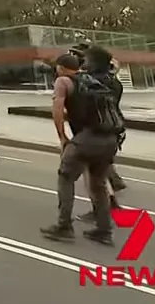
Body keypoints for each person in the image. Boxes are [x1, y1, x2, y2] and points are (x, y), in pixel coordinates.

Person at [41, 48, 124, 245]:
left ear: (61, 68)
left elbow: (57, 111)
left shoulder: (63, 81)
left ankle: (64, 227)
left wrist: (62, 137)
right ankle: (104, 231)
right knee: (98, 184)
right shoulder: (94, 81)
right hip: (111, 138)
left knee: (66, 177)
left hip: (87, 138)